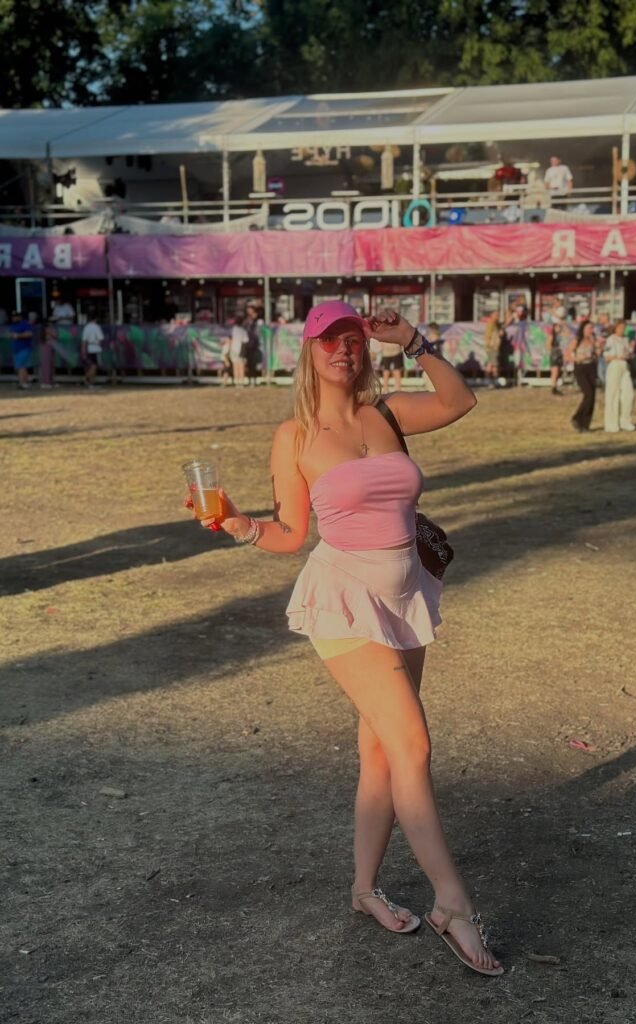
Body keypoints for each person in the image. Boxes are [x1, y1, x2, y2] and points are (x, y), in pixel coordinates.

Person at [186, 299, 503, 977]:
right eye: (330, 339)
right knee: (411, 742)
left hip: (404, 591)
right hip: (342, 599)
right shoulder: (294, 436)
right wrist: (241, 526)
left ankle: (364, 890)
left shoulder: (385, 413)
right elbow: (290, 535)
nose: (344, 349)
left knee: (381, 750)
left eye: (353, 338)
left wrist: (412, 339)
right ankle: (453, 902)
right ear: (307, 349)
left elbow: (459, 399)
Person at [565, 320, 598, 432]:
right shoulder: (577, 340)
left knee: (592, 395)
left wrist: (598, 350)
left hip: (591, 366)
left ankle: (585, 424)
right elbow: (567, 354)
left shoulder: (593, 340)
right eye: (588, 328)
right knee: (588, 393)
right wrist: (576, 358)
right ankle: (577, 417)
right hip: (580, 367)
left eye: (592, 328)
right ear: (583, 329)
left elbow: (596, 354)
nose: (590, 331)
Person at [603, 320, 635, 433]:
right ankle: (611, 424)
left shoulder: (625, 340)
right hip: (615, 365)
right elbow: (606, 357)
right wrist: (618, 356)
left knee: (629, 394)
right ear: (615, 328)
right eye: (620, 327)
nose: (622, 330)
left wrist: (631, 351)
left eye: (624, 327)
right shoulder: (611, 340)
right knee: (613, 395)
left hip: (625, 367)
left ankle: (625, 421)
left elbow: (628, 354)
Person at [10, 310, 34, 389]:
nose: (14, 318)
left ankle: (21, 383)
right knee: (22, 366)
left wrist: (18, 335)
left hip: (24, 348)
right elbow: (11, 335)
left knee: (21, 366)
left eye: (15, 316)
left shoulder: (25, 324)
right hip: (16, 349)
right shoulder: (13, 325)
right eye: (13, 317)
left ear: (19, 317)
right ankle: (25, 382)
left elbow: (30, 334)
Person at [80, 311, 104, 387]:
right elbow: (100, 339)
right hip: (96, 348)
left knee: (90, 365)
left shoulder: (86, 327)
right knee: (94, 366)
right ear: (96, 319)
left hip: (89, 348)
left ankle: (91, 382)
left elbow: (84, 340)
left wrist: (83, 350)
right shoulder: (97, 327)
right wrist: (101, 346)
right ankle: (86, 378)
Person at [243, 305, 263, 386]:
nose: (249, 313)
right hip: (247, 345)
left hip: (255, 345)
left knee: (254, 364)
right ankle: (249, 380)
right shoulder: (247, 321)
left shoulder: (258, 321)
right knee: (248, 363)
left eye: (251, 311)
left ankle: (254, 380)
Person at [483, 313, 503, 387]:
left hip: (491, 347)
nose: (498, 317)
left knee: (490, 364)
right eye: (497, 315)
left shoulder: (494, 324)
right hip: (492, 347)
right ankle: (493, 381)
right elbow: (488, 335)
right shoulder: (491, 324)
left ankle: (490, 381)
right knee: (493, 365)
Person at [228, 317, 249, 388]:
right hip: (241, 350)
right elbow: (246, 341)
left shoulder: (233, 329)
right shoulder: (243, 331)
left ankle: (237, 383)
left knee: (235, 367)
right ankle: (241, 383)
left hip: (233, 350)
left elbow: (230, 339)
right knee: (241, 367)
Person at [548, 324, 564, 395]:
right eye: (557, 327)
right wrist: (555, 350)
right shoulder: (552, 336)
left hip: (559, 354)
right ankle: (553, 387)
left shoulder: (560, 336)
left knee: (558, 371)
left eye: (560, 327)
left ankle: (555, 386)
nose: (559, 328)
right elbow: (548, 345)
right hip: (555, 355)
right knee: (555, 371)